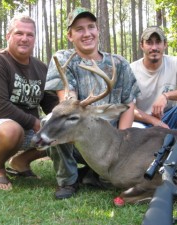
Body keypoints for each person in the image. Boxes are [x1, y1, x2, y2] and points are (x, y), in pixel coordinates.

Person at [45, 7, 140, 199]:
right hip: (78, 140)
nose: (87, 33)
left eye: (91, 27)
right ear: (70, 35)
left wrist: (122, 142)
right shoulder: (64, 59)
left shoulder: (119, 63)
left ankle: (92, 176)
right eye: (79, 29)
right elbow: (67, 101)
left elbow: (129, 104)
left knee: (114, 181)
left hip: (111, 142)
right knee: (54, 121)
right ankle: (68, 181)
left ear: (98, 30)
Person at [0, 15, 58, 190]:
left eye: (30, 35)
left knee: (61, 132)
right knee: (12, 129)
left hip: (27, 130)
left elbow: (50, 104)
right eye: (19, 33)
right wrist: (36, 123)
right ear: (8, 36)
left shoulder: (40, 68)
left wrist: (69, 115)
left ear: (34, 39)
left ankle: (20, 162)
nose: (24, 38)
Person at [130, 26, 177, 130]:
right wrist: (155, 121)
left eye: (158, 42)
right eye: (149, 43)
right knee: (132, 129)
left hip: (168, 118)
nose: (154, 48)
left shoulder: (176, 63)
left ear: (165, 44)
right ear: (142, 46)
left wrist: (166, 96)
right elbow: (128, 109)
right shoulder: (131, 70)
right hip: (142, 121)